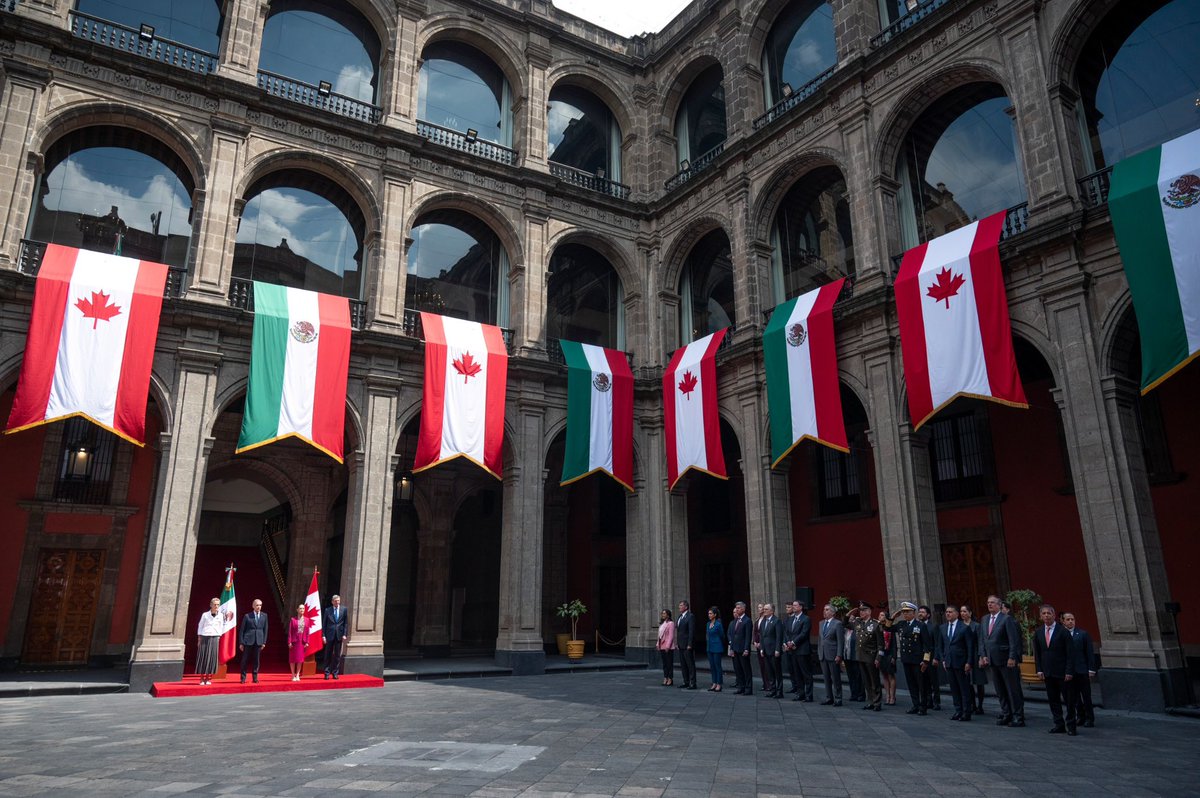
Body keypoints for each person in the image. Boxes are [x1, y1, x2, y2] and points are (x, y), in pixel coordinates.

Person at [978, 593, 1026, 727]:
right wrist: (983, 655)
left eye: (992, 602)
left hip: (1006, 660)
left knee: (1012, 689)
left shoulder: (1006, 619)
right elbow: (982, 639)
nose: (989, 605)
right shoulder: (985, 619)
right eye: (988, 602)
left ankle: (1018, 716)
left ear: (999, 605)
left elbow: (1013, 640)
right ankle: (1006, 713)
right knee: (999, 690)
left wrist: (1012, 657)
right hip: (992, 660)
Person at [1033, 603, 1077, 735]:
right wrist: (1039, 669)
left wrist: (1069, 671)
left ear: (1054, 615)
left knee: (1069, 701)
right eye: (1044, 613)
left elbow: (1070, 653)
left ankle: (1071, 725)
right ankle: (1059, 724)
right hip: (1048, 673)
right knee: (1053, 700)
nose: (1046, 615)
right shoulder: (1038, 632)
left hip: (1063, 672)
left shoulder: (1063, 631)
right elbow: (1038, 653)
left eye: (1049, 613)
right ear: (1040, 616)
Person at [883, 601, 931, 715]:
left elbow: (927, 645)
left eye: (908, 612)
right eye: (904, 612)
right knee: (911, 684)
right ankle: (915, 705)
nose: (905, 614)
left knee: (921, 684)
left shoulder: (920, 625)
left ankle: (923, 706)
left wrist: (925, 660)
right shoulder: (901, 624)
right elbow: (887, 628)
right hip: (906, 659)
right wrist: (893, 617)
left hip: (917, 660)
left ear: (913, 613)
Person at [935, 604, 976, 721]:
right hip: (948, 662)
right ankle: (958, 710)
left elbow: (969, 647)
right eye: (947, 612)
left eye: (950, 612)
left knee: (964, 688)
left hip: (961, 662)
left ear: (957, 614)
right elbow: (940, 646)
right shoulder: (942, 628)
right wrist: (943, 659)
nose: (948, 614)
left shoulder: (964, 628)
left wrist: (969, 662)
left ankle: (966, 712)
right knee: (954, 688)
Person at [1061, 611, 1097, 727]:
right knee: (1074, 697)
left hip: (1082, 670)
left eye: (1072, 619)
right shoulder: (1061, 635)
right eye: (1068, 619)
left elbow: (1089, 653)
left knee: (1086, 696)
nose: (1070, 621)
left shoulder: (1082, 634)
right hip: (1069, 672)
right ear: (1063, 621)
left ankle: (1089, 718)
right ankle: (1080, 716)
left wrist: (1091, 669)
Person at [848, 601, 884, 711]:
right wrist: (849, 614)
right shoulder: (858, 623)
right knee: (866, 681)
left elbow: (881, 645)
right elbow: (845, 623)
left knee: (874, 681)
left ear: (869, 611)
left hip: (871, 657)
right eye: (860, 611)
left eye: (863, 610)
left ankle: (877, 703)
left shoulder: (876, 624)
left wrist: (878, 658)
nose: (861, 612)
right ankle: (870, 701)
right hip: (860, 656)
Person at [960, 604, 988, 715]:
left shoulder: (976, 626)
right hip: (965, 656)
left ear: (970, 613)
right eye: (961, 611)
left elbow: (981, 641)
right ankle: (972, 704)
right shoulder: (959, 626)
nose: (963, 613)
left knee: (979, 682)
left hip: (976, 655)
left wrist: (981, 656)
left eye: (965, 611)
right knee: (968, 682)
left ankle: (980, 705)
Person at [785, 600, 814, 702]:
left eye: (795, 605)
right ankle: (800, 693)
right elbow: (787, 632)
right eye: (792, 605)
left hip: (802, 649)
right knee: (797, 673)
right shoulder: (790, 619)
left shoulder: (806, 619)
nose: (793, 607)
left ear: (801, 607)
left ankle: (809, 695)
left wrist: (793, 642)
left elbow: (804, 633)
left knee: (806, 673)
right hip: (792, 650)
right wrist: (788, 642)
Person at [817, 603, 843, 706]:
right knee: (826, 678)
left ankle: (838, 698)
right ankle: (829, 697)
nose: (824, 611)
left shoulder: (837, 624)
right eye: (824, 609)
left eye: (827, 610)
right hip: (823, 654)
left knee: (835, 678)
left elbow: (840, 641)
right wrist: (819, 652)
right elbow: (820, 640)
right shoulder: (821, 623)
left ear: (833, 613)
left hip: (833, 654)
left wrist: (839, 655)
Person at [195, 597, 225, 686]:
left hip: (215, 637)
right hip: (205, 636)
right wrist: (199, 637)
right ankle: (201, 678)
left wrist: (219, 636)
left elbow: (221, 626)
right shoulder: (205, 615)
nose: (216, 606)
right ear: (211, 605)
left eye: (218, 604)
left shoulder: (221, 615)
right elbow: (200, 625)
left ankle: (208, 678)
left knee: (212, 657)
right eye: (214, 604)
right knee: (203, 657)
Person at [239, 598, 268, 684]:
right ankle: (243, 678)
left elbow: (265, 630)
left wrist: (264, 642)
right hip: (248, 641)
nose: (258, 607)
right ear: (253, 606)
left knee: (256, 660)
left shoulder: (264, 616)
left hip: (259, 641)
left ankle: (255, 677)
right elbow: (242, 630)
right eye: (257, 605)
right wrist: (241, 642)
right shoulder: (247, 616)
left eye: (260, 605)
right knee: (245, 660)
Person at [917, 605, 941, 711]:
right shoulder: (917, 626)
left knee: (933, 680)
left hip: (931, 657)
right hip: (920, 657)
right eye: (919, 612)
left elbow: (937, 643)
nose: (920, 614)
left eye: (923, 612)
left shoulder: (933, 626)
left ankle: (937, 701)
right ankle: (928, 700)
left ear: (928, 615)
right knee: (924, 680)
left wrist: (936, 657)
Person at [759, 603, 784, 698]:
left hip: (774, 650)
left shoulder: (776, 621)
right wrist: (761, 648)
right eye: (764, 609)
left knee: (777, 671)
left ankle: (779, 691)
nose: (764, 611)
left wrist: (778, 649)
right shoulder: (763, 621)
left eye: (766, 609)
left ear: (772, 611)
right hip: (765, 650)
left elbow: (779, 637)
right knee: (769, 671)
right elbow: (762, 636)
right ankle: (772, 689)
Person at [728, 602, 753, 695]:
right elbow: (733, 635)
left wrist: (746, 648)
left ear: (743, 609)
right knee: (738, 669)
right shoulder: (735, 621)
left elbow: (748, 636)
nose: (737, 609)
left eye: (738, 608)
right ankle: (741, 687)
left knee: (746, 670)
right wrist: (731, 648)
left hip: (743, 649)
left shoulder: (747, 621)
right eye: (736, 608)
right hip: (735, 649)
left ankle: (748, 688)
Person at [323, 594, 348, 680]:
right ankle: (326, 673)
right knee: (328, 654)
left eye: (338, 600)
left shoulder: (344, 610)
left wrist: (344, 634)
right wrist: (323, 635)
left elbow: (345, 623)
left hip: (339, 635)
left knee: (337, 655)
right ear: (332, 602)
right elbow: (324, 624)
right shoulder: (327, 610)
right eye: (335, 601)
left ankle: (335, 672)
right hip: (329, 635)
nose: (337, 602)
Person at [877, 609, 897, 705]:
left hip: (889, 653)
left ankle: (893, 696)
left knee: (890, 675)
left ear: (886, 617)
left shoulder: (890, 628)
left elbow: (894, 644)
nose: (880, 617)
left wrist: (894, 656)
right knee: (884, 675)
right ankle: (887, 695)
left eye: (882, 615)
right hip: (881, 654)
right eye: (879, 615)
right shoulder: (878, 627)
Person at [676, 601, 697, 690]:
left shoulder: (690, 616)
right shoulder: (680, 617)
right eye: (679, 605)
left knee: (690, 664)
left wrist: (690, 644)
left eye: (681, 605)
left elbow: (691, 631)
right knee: (683, 665)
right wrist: (677, 643)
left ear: (686, 607)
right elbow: (679, 632)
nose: (679, 607)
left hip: (687, 645)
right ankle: (686, 681)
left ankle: (693, 683)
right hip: (681, 645)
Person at [753, 604, 773, 695]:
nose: (760, 609)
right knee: (761, 665)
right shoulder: (757, 620)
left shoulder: (767, 620)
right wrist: (754, 642)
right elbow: (755, 632)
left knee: (767, 666)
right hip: (758, 645)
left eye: (761, 607)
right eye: (759, 608)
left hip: (765, 645)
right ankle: (765, 683)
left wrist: (761, 643)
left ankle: (770, 684)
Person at [842, 617, 864, 702]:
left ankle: (861, 694)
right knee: (850, 676)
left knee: (858, 676)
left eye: (852, 620)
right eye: (849, 620)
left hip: (855, 657)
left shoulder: (857, 630)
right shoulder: (845, 631)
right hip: (847, 656)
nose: (850, 621)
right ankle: (853, 694)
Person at [706, 606, 725, 692]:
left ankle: (719, 683)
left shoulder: (718, 624)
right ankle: (714, 682)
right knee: (712, 666)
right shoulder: (708, 624)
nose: (709, 615)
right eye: (708, 613)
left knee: (717, 666)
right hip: (710, 647)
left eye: (710, 613)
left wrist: (718, 642)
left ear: (715, 614)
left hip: (717, 647)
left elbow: (722, 635)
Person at [287, 603, 307, 681]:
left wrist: (307, 642)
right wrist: (289, 642)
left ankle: (298, 674)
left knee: (300, 659)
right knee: (292, 659)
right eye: (300, 608)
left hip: (302, 642)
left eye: (303, 608)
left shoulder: (307, 620)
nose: (302, 610)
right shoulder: (293, 620)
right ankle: (293, 675)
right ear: (297, 610)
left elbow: (307, 632)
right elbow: (290, 632)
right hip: (294, 642)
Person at [657, 609, 676, 686]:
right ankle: (665, 677)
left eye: (664, 613)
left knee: (669, 664)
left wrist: (668, 646)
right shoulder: (662, 624)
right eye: (662, 613)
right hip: (662, 646)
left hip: (668, 647)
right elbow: (659, 636)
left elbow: (671, 636)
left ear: (668, 615)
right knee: (664, 664)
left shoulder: (671, 623)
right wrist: (658, 644)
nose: (663, 615)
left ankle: (670, 679)